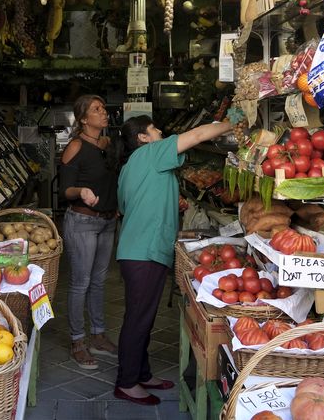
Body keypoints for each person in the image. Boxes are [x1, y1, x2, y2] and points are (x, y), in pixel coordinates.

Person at [114, 115, 233, 405]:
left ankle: (141, 373)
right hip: (144, 251)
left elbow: (123, 207)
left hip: (137, 250)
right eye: (154, 128)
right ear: (143, 137)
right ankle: (127, 382)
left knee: (143, 316)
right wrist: (235, 122)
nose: (160, 130)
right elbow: (199, 133)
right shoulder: (151, 153)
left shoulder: (130, 166)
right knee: (138, 319)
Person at [59, 94, 119, 370]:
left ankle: (97, 334)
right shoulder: (75, 146)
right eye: (96, 110)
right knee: (81, 283)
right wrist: (80, 191)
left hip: (107, 222)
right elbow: (65, 190)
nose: (103, 113)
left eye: (103, 108)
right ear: (84, 119)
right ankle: (78, 341)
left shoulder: (106, 145)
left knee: (98, 281)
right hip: (82, 222)